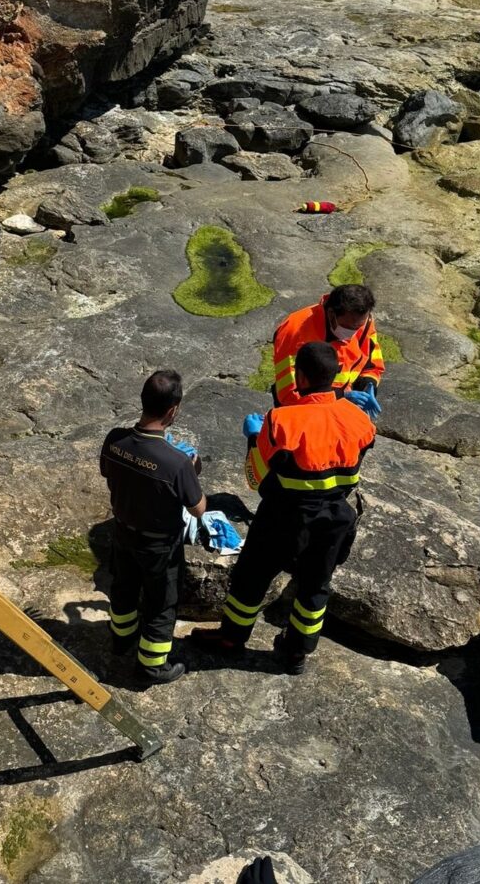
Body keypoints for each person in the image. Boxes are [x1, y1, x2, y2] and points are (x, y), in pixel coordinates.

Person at [191, 343, 375, 674]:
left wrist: (252, 438)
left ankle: (231, 640)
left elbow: (254, 477)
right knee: (315, 587)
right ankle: (296, 654)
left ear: (299, 376)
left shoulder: (280, 422)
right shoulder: (359, 420)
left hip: (282, 519)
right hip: (334, 519)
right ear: (334, 377)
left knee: (250, 580)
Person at [100, 370, 206, 685]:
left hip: (122, 532)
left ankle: (122, 640)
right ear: (173, 410)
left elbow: (108, 471)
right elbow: (198, 508)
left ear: (143, 401)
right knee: (161, 605)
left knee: (123, 589)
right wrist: (192, 469)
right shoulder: (177, 463)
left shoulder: (114, 440)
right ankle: (151, 665)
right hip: (160, 545)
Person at [272, 283, 384, 416]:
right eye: (348, 327)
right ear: (331, 314)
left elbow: (372, 364)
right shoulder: (295, 331)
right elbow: (288, 394)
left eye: (359, 326)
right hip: (301, 410)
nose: (353, 333)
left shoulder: (363, 323)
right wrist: (340, 396)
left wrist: (367, 385)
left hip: (341, 405)